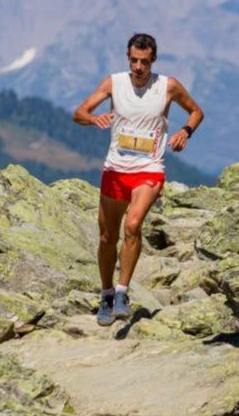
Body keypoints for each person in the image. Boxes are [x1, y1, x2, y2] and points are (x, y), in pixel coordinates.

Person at [72, 32, 204, 326]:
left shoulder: (167, 86)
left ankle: (122, 293)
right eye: (134, 60)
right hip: (115, 170)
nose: (138, 67)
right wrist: (94, 119)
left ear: (153, 60)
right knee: (107, 237)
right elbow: (78, 112)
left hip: (149, 168)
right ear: (128, 58)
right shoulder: (114, 83)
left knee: (133, 225)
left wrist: (185, 132)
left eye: (144, 61)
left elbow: (196, 112)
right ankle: (106, 295)